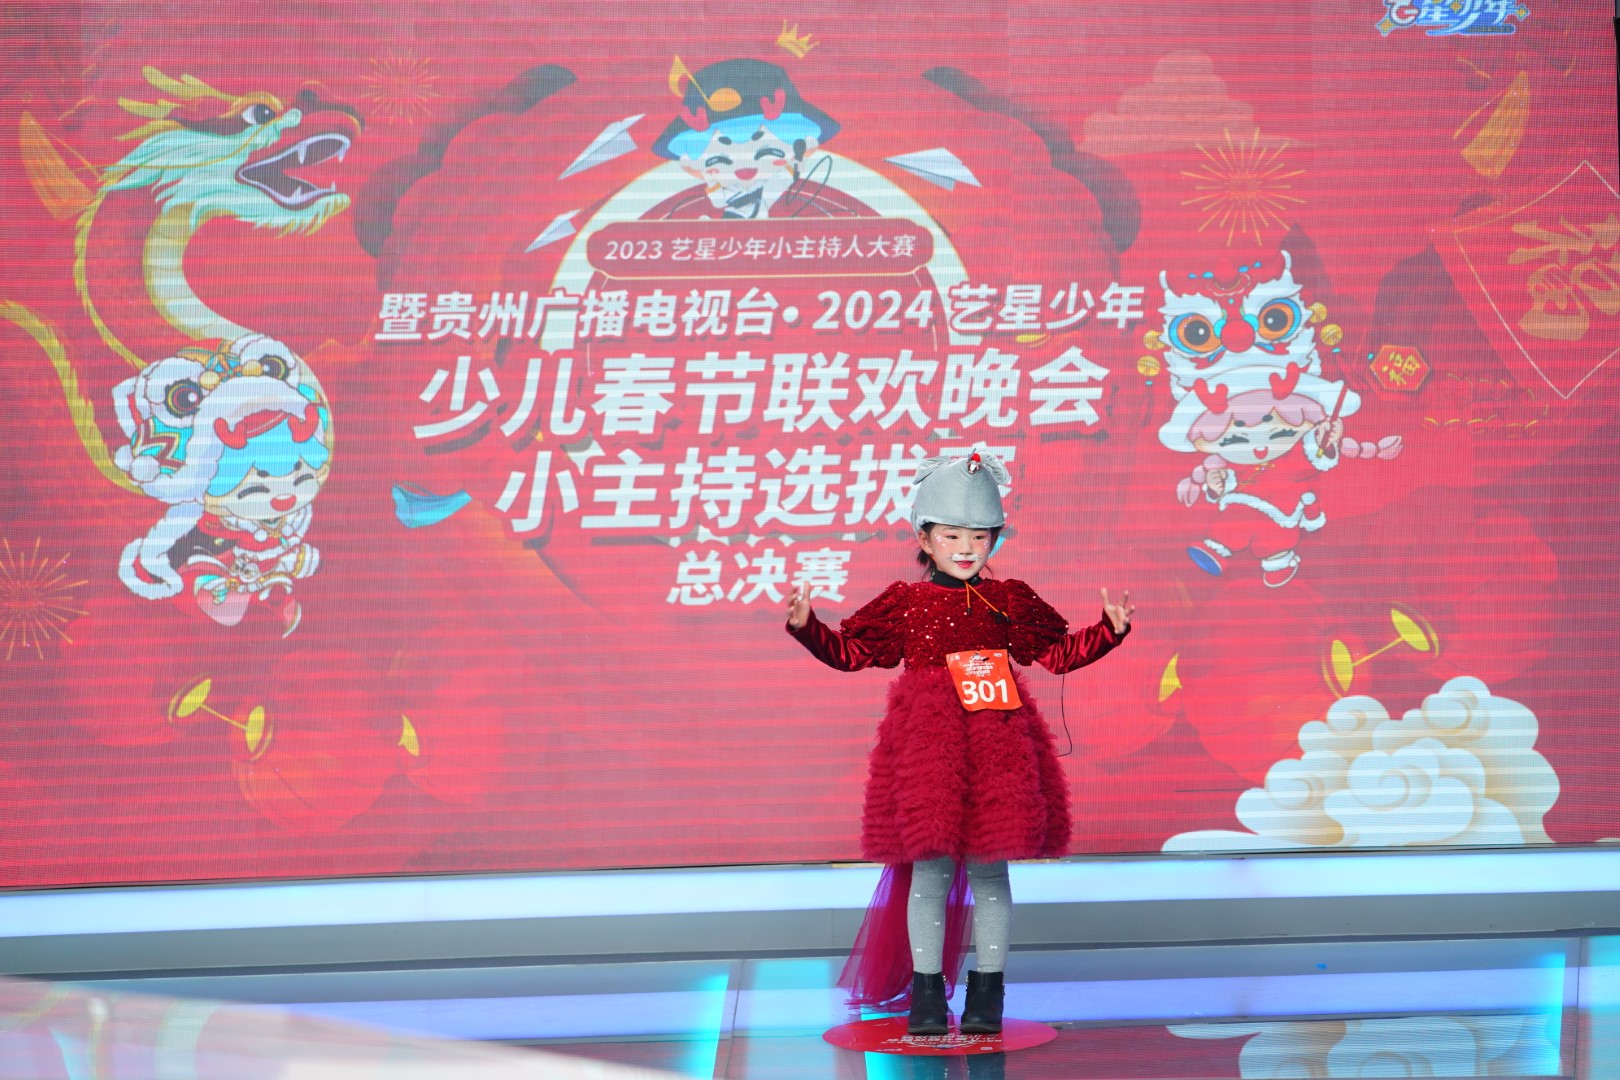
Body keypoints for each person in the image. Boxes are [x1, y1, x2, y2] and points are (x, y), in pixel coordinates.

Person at [785, 451, 1133, 1036]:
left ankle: (987, 993)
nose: (966, 548)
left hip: (998, 744)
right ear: (925, 538)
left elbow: (1058, 653)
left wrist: (1109, 633)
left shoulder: (1010, 598)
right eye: (951, 535)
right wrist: (807, 628)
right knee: (931, 869)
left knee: (991, 869)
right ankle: (926, 996)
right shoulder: (905, 601)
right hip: (929, 748)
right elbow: (853, 653)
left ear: (995, 538)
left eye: (979, 536)